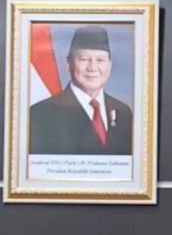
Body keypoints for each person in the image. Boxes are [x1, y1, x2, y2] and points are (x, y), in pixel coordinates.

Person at [29, 25, 133, 156]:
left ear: (109, 66)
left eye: (100, 60)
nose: (92, 68)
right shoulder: (41, 114)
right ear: (69, 64)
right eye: (84, 59)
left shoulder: (123, 112)